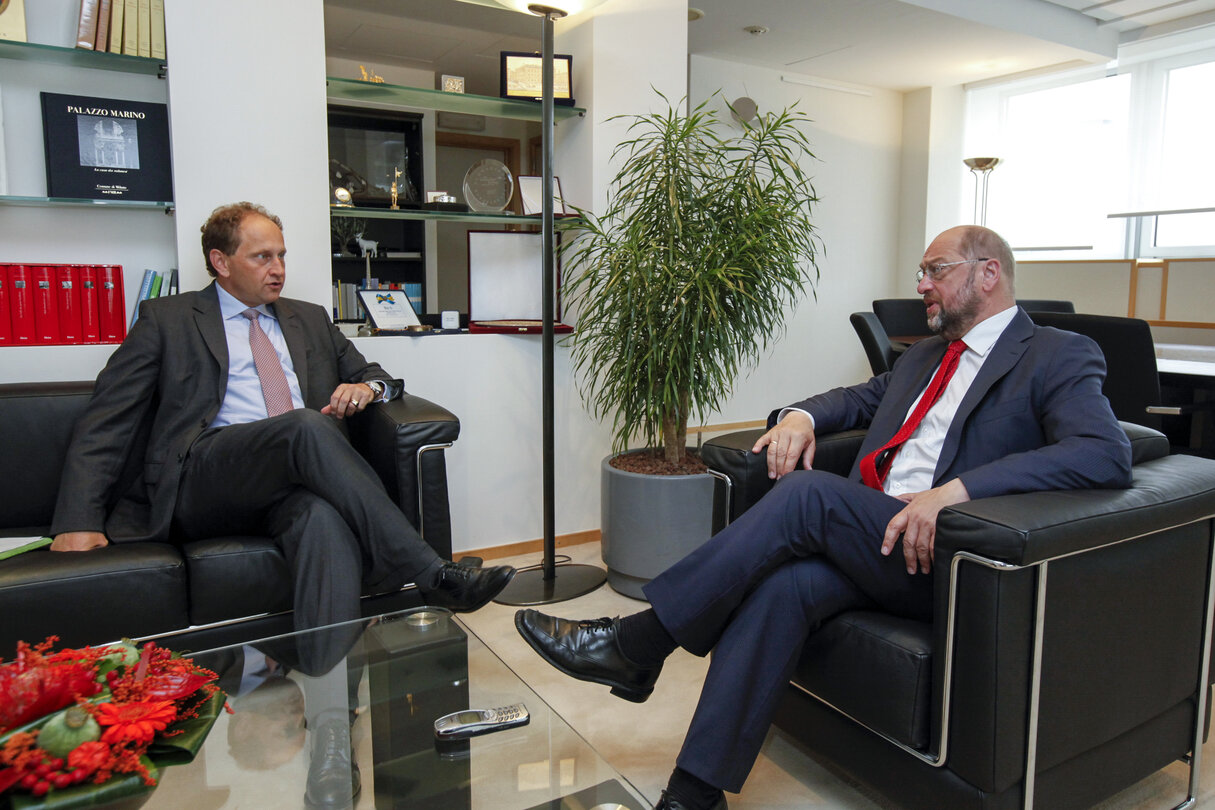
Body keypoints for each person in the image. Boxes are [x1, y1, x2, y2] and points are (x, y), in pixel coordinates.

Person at [515, 225, 1133, 810]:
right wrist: (799, 418)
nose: (920, 284)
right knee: (785, 589)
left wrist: (958, 490)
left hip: (946, 554)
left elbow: (1104, 453)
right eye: (921, 271)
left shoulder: (1055, 354)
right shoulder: (922, 358)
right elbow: (855, 400)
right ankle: (694, 792)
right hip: (873, 538)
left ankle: (639, 642)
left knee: (807, 493)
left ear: (988, 273)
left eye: (935, 270)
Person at [49, 202, 515, 808]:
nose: (278, 269)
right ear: (221, 262)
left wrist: (364, 387)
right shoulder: (167, 319)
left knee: (321, 520)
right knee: (304, 427)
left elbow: (377, 373)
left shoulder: (309, 319)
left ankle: (328, 747)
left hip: (292, 487)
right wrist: (79, 521)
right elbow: (107, 420)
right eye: (262, 256)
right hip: (208, 476)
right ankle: (428, 573)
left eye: (283, 255)